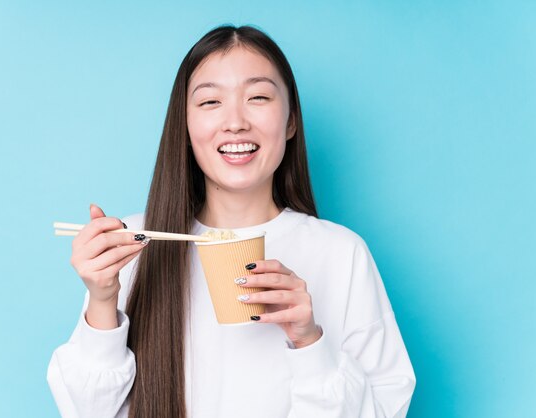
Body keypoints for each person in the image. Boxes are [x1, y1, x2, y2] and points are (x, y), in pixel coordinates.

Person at [47, 25, 416, 418]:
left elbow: (385, 408)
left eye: (258, 97)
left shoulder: (341, 253)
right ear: (185, 128)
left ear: (291, 121)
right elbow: (87, 412)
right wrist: (103, 300)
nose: (235, 122)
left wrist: (308, 340)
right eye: (210, 102)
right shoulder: (133, 244)